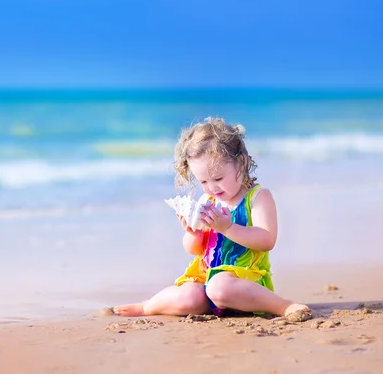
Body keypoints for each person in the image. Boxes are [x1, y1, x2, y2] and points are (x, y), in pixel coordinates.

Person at [112, 117, 312, 322]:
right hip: (206, 284)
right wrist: (193, 234)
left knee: (220, 286)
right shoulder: (208, 200)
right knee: (189, 295)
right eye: (203, 181)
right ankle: (148, 306)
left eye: (218, 179)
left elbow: (267, 240)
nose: (212, 187)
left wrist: (228, 228)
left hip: (243, 282)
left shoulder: (258, 197)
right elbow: (194, 250)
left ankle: (283, 305)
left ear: (241, 163)